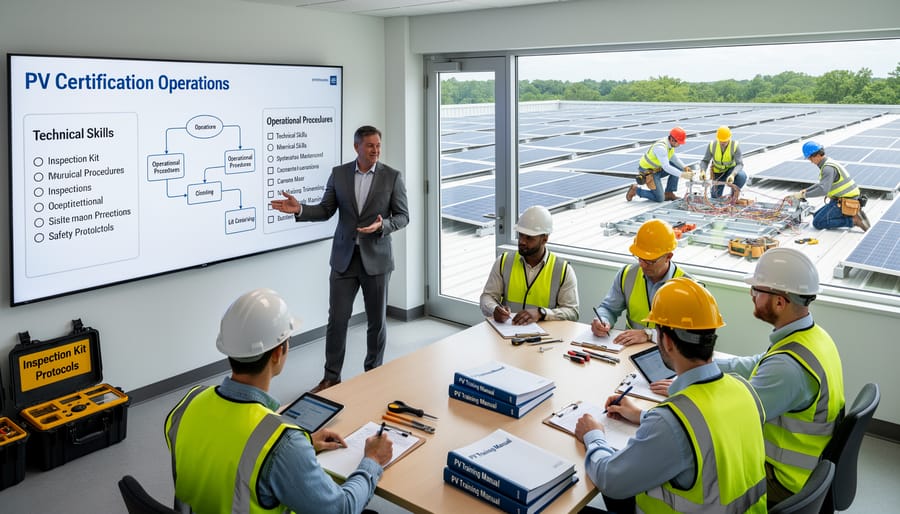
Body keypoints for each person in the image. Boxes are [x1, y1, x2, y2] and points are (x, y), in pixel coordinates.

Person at [164, 288, 393, 514]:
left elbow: (219, 452)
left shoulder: (188, 403)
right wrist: (372, 460)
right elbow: (341, 509)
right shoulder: (282, 441)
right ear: (277, 353)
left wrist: (302, 446)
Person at [575, 277, 767, 514]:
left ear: (665, 340)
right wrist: (641, 415)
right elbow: (704, 431)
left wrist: (593, 436)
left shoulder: (671, 421)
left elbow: (610, 480)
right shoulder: (743, 389)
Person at [271, 125, 409, 393]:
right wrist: (299, 208)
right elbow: (325, 210)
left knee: (376, 321)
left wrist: (382, 226)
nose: (376, 150)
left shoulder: (392, 177)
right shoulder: (339, 174)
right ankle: (331, 377)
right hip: (344, 259)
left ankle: (374, 373)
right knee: (337, 320)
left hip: (377, 260)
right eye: (370, 146)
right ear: (356, 146)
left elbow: (403, 216)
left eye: (378, 145)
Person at [716, 248, 845, 505]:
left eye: (757, 290)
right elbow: (758, 363)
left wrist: (675, 396)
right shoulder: (813, 337)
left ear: (779, 302)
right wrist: (709, 365)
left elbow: (728, 418)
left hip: (781, 480)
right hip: (808, 469)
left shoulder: (787, 369)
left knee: (691, 473)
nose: (751, 296)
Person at [591, 219, 688, 347]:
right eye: (639, 257)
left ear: (668, 257)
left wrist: (649, 334)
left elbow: (688, 334)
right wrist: (602, 319)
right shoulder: (627, 275)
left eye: (650, 261)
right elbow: (609, 308)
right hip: (629, 352)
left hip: (671, 357)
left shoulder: (687, 287)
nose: (642, 264)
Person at [480, 205, 579, 324]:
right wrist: (494, 309)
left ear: (545, 238)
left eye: (529, 238)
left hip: (544, 338)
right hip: (507, 334)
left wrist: (542, 313)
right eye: (520, 235)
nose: (522, 241)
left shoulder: (563, 270)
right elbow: (487, 297)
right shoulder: (503, 262)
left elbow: (573, 313)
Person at [787, 141, 870, 232]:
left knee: (817, 223)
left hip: (845, 201)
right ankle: (849, 214)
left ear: (817, 155)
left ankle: (853, 220)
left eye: (810, 158)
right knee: (816, 215)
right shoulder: (828, 162)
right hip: (842, 199)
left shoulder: (827, 168)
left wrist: (804, 196)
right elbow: (821, 184)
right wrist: (805, 191)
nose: (810, 161)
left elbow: (823, 190)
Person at [626, 127, 693, 203]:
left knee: (678, 167)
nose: (680, 145)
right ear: (672, 140)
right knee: (660, 198)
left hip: (658, 169)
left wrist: (684, 167)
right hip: (649, 172)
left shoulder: (670, 145)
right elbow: (666, 167)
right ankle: (636, 190)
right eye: (679, 142)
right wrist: (682, 174)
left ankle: (669, 193)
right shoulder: (661, 148)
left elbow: (674, 159)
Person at [698, 125, 747, 199]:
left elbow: (740, 164)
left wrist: (733, 175)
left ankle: (734, 196)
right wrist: (702, 171)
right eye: (721, 141)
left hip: (730, 171)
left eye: (725, 141)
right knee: (715, 197)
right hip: (718, 173)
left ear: (729, 138)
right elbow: (705, 161)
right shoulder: (712, 145)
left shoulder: (735, 146)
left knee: (741, 176)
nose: (723, 143)